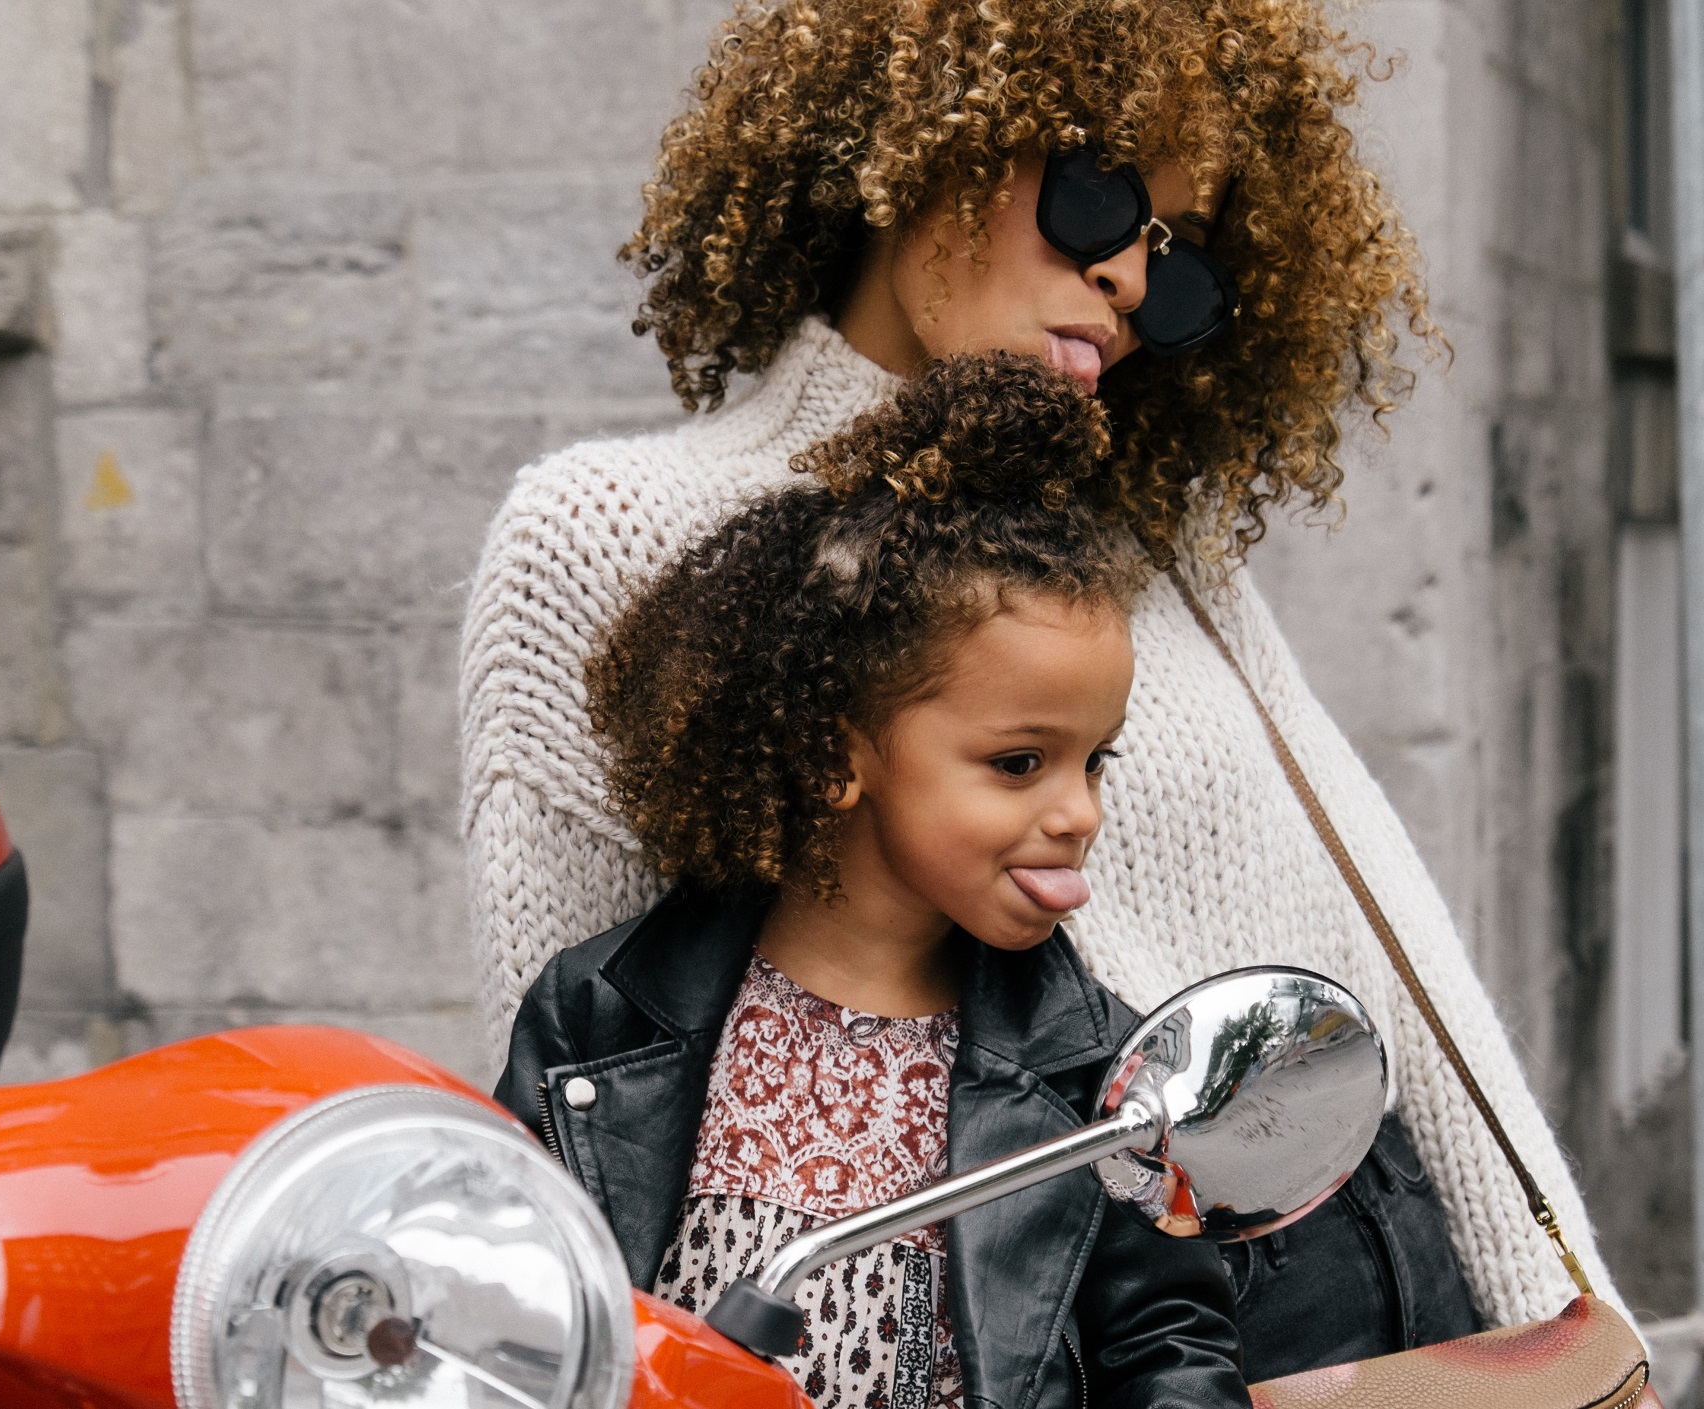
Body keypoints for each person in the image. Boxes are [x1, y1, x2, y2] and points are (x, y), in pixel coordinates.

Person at [460, 0, 1623, 1376]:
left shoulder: (1152, 553)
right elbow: (597, 1102)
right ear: (935, 134)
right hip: (1022, 1315)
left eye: (1179, 261)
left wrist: (1574, 1303)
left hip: (1350, 1261)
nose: (1133, 278)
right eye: (1099, 198)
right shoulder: (610, 535)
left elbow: (1392, 941)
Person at [499, 357, 1250, 1409]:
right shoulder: (603, 1015)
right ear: (829, 754)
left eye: (1095, 759)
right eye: (1018, 762)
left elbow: (1165, 1344)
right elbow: (504, 1306)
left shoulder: (1093, 1079)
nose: (1078, 809)